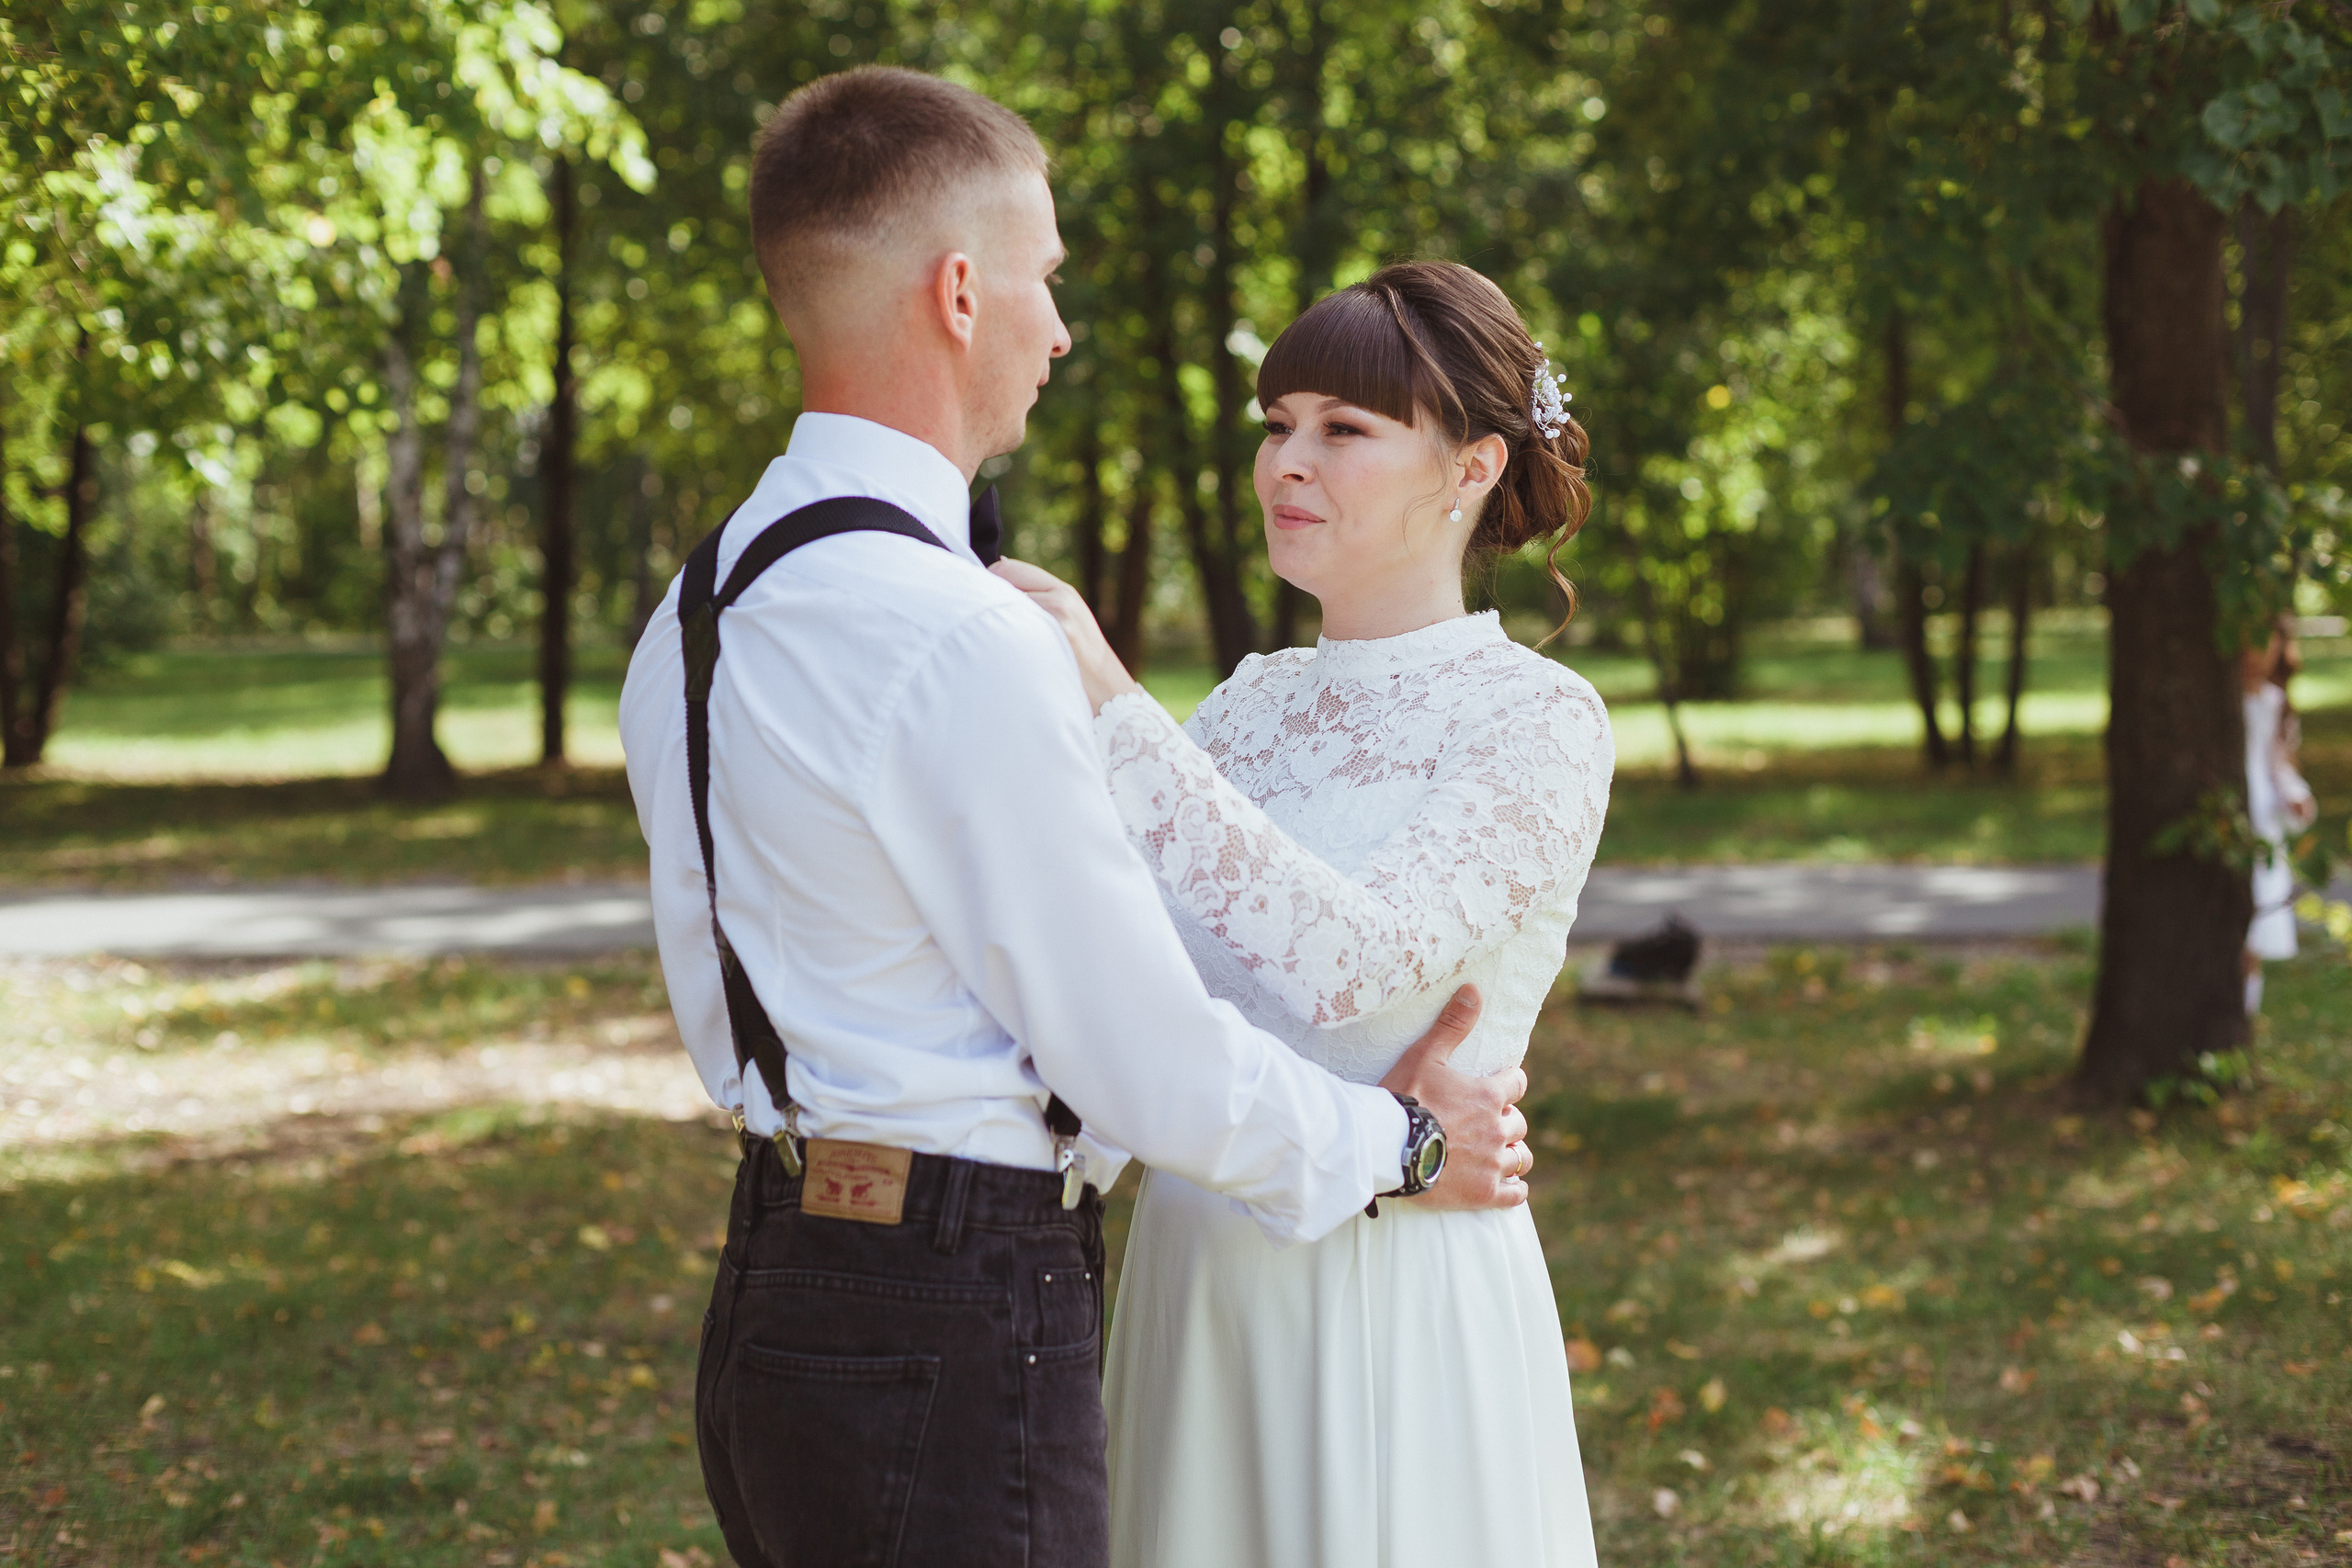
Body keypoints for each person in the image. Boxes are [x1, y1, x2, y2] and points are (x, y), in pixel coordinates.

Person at [616, 70, 1532, 1568]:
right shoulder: (953, 634)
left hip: (772, 1293)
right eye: (1044, 281)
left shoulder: (698, 609)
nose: (1060, 326)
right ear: (960, 293)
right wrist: (1405, 1142)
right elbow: (1144, 1057)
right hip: (948, 1308)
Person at [999, 262, 1610, 1568]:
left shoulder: (1538, 721)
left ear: (1473, 466)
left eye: (1346, 428)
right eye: (1278, 423)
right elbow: (1118, 973)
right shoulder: (1246, 705)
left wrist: (1108, 695)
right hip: (1198, 1277)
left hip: (1391, 1285)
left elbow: (1349, 959)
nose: (1290, 460)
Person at [2244, 620, 2315, 1015]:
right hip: (2236, 814)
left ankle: (2244, 1017)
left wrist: (2296, 797)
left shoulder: (2275, 703)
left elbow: (2279, 768)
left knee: (2254, 930)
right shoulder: (2218, 705)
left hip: (2262, 822)